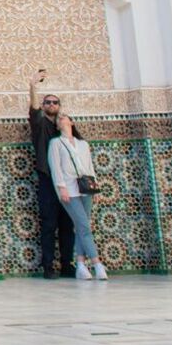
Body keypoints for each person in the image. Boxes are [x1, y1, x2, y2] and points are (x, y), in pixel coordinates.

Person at [28, 71, 76, 278]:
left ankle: (67, 264)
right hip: (48, 181)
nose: (50, 105)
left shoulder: (65, 129)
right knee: (49, 224)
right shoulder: (41, 126)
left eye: (55, 102)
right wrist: (33, 86)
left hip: (69, 182)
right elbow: (34, 109)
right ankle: (48, 266)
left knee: (68, 224)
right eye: (47, 102)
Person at [49, 113, 107, 281]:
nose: (61, 118)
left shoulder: (83, 145)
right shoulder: (56, 143)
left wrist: (95, 187)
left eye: (64, 117)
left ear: (71, 122)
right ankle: (97, 264)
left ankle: (81, 265)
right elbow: (55, 167)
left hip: (85, 189)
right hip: (69, 190)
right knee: (84, 226)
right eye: (59, 119)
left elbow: (89, 167)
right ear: (57, 126)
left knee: (81, 227)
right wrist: (62, 188)